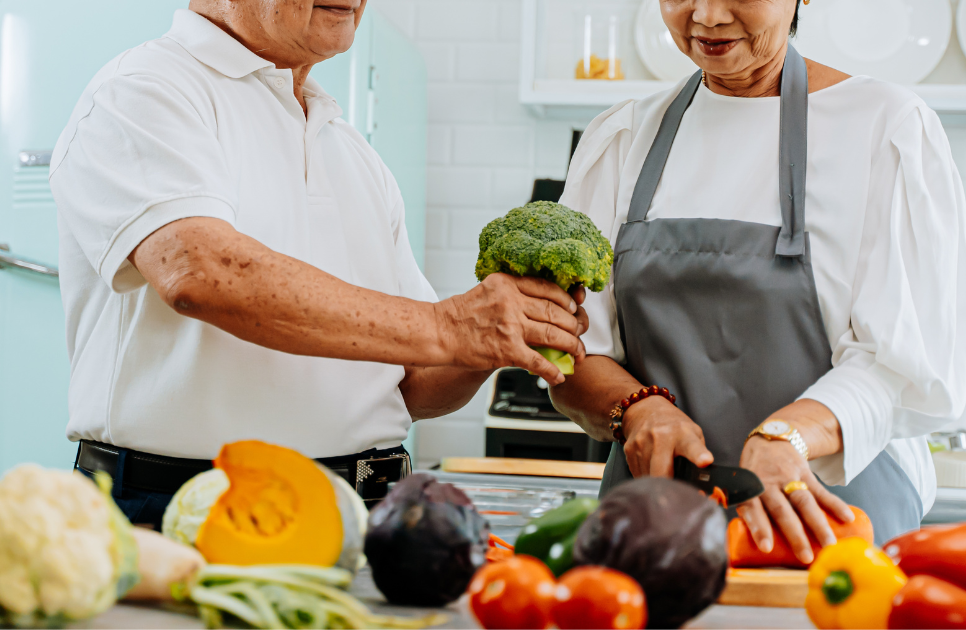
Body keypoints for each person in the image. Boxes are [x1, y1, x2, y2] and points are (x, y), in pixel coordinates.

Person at [49, 0, 588, 526]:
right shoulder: (145, 89)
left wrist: (491, 342)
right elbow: (198, 270)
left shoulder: (351, 149)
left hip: (372, 509)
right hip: (189, 508)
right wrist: (449, 326)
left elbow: (415, 382)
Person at [550, 0, 966, 560]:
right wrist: (637, 407)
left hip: (832, 531)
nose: (705, 15)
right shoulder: (624, 135)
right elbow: (568, 351)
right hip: (653, 535)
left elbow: (907, 365)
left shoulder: (884, 127)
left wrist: (789, 437)